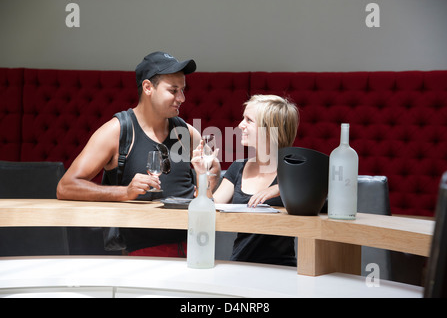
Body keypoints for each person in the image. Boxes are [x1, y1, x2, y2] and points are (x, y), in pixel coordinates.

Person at [57, 51, 220, 256]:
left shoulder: (186, 133)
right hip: (141, 255)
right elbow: (66, 186)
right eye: (174, 90)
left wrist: (211, 176)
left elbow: (209, 181)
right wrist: (125, 193)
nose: (182, 98)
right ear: (148, 87)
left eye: (183, 90)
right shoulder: (117, 131)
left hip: (195, 248)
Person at [195, 94, 299, 266]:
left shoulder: (293, 170)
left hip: (281, 267)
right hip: (240, 264)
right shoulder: (238, 168)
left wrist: (280, 188)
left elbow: (321, 200)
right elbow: (208, 210)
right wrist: (203, 175)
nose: (240, 125)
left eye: (249, 120)